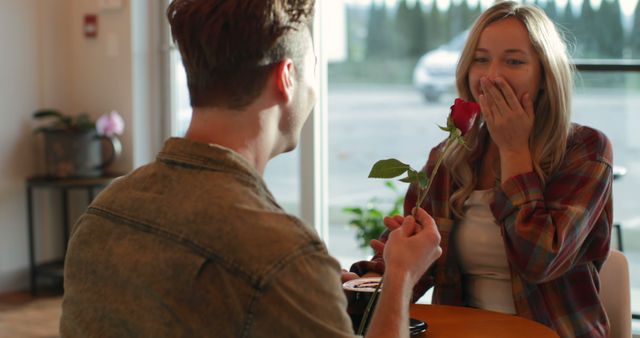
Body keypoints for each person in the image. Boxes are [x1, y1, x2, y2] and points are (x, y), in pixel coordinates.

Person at [59, 1, 442, 337]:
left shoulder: (104, 212)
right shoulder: (284, 255)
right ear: (287, 77)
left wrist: (311, 293)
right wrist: (400, 278)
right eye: (312, 70)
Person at [351, 2, 613, 338]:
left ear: (546, 76)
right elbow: (411, 260)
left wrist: (514, 149)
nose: (492, 76)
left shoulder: (586, 150)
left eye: (514, 61)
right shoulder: (449, 158)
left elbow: (539, 261)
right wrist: (363, 281)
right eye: (481, 59)